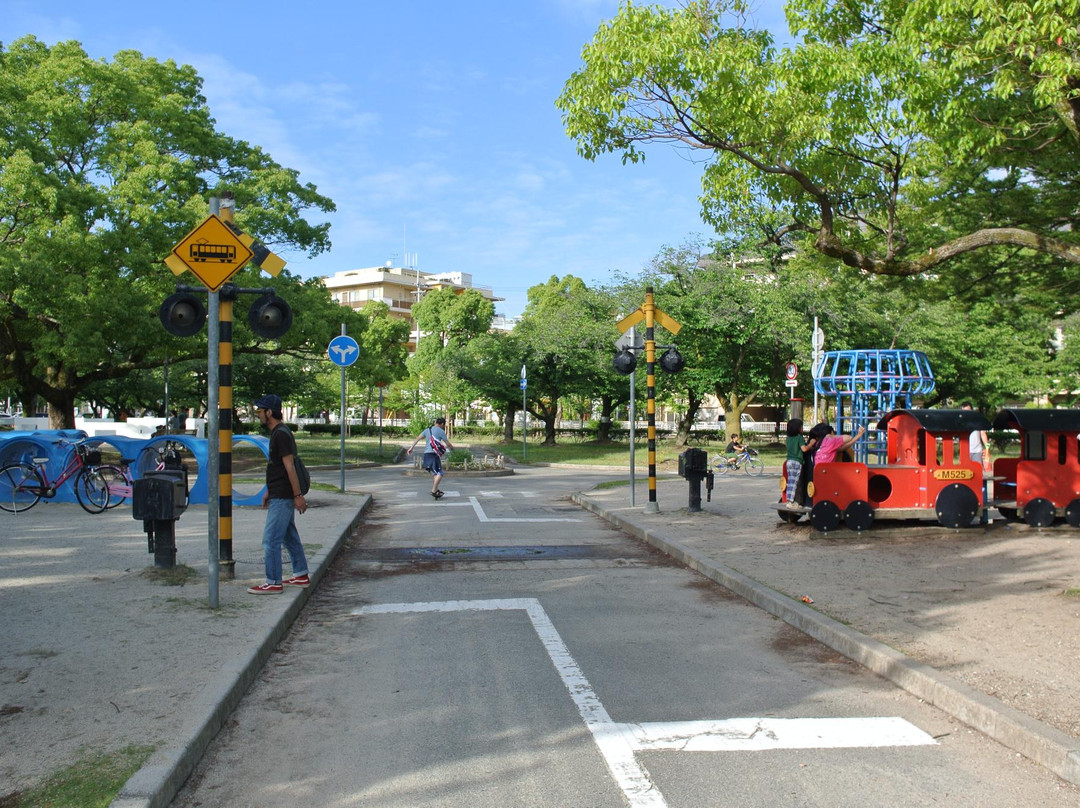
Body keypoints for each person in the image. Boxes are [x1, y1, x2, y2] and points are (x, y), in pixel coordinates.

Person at [248, 394, 310, 595]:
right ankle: (300, 574)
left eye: (260, 411)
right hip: (278, 492)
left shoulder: (281, 434)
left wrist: (298, 495)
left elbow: (289, 467)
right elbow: (276, 468)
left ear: (269, 412)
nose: (258, 415)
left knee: (271, 540)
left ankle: (273, 581)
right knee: (288, 536)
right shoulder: (277, 433)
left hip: (284, 495)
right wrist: (268, 490)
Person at [407, 417, 453, 499]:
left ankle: (436, 490)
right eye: (444, 425)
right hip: (434, 455)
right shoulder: (441, 431)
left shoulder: (427, 430)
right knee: (440, 473)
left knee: (435, 473)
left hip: (426, 454)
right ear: (442, 424)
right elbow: (448, 443)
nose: (443, 426)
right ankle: (434, 490)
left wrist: (411, 448)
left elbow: (418, 438)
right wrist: (452, 448)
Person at [783, 419, 814, 507]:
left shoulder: (788, 438)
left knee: (790, 481)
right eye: (801, 426)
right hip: (796, 462)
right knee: (795, 482)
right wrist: (811, 444)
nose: (802, 428)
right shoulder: (799, 438)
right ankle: (791, 501)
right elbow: (804, 449)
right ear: (798, 428)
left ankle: (789, 500)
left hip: (789, 461)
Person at [962, 402, 990, 469]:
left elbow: (983, 434)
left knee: (978, 471)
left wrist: (987, 448)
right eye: (964, 411)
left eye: (968, 411)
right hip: (965, 451)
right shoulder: (961, 422)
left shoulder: (977, 421)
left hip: (977, 451)